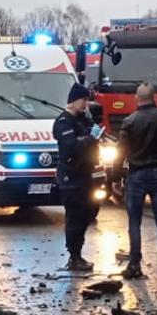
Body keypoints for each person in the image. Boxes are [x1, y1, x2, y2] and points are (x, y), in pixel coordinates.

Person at [117, 82, 157, 279]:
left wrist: (116, 177)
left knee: (134, 222)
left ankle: (135, 264)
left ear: (137, 97)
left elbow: (121, 152)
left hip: (136, 175)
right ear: (155, 97)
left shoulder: (129, 121)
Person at [53, 83, 101, 272]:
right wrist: (90, 138)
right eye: (83, 100)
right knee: (75, 216)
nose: (85, 104)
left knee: (87, 214)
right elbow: (70, 147)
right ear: (72, 101)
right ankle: (74, 256)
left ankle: (77, 253)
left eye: (87, 100)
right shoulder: (64, 123)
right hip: (71, 177)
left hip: (85, 174)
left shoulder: (81, 120)